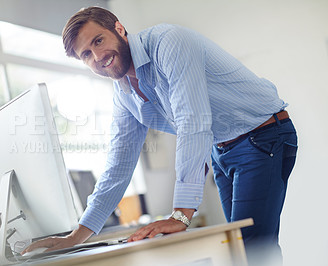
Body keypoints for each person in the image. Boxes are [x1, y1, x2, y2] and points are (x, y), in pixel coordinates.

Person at [23, 6, 298, 265]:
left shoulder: (169, 43)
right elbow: (118, 166)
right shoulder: (124, 93)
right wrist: (76, 236)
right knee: (239, 250)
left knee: (253, 250)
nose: (97, 57)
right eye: (85, 54)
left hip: (263, 134)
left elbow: (193, 120)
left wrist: (181, 214)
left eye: (98, 41)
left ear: (119, 28)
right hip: (222, 150)